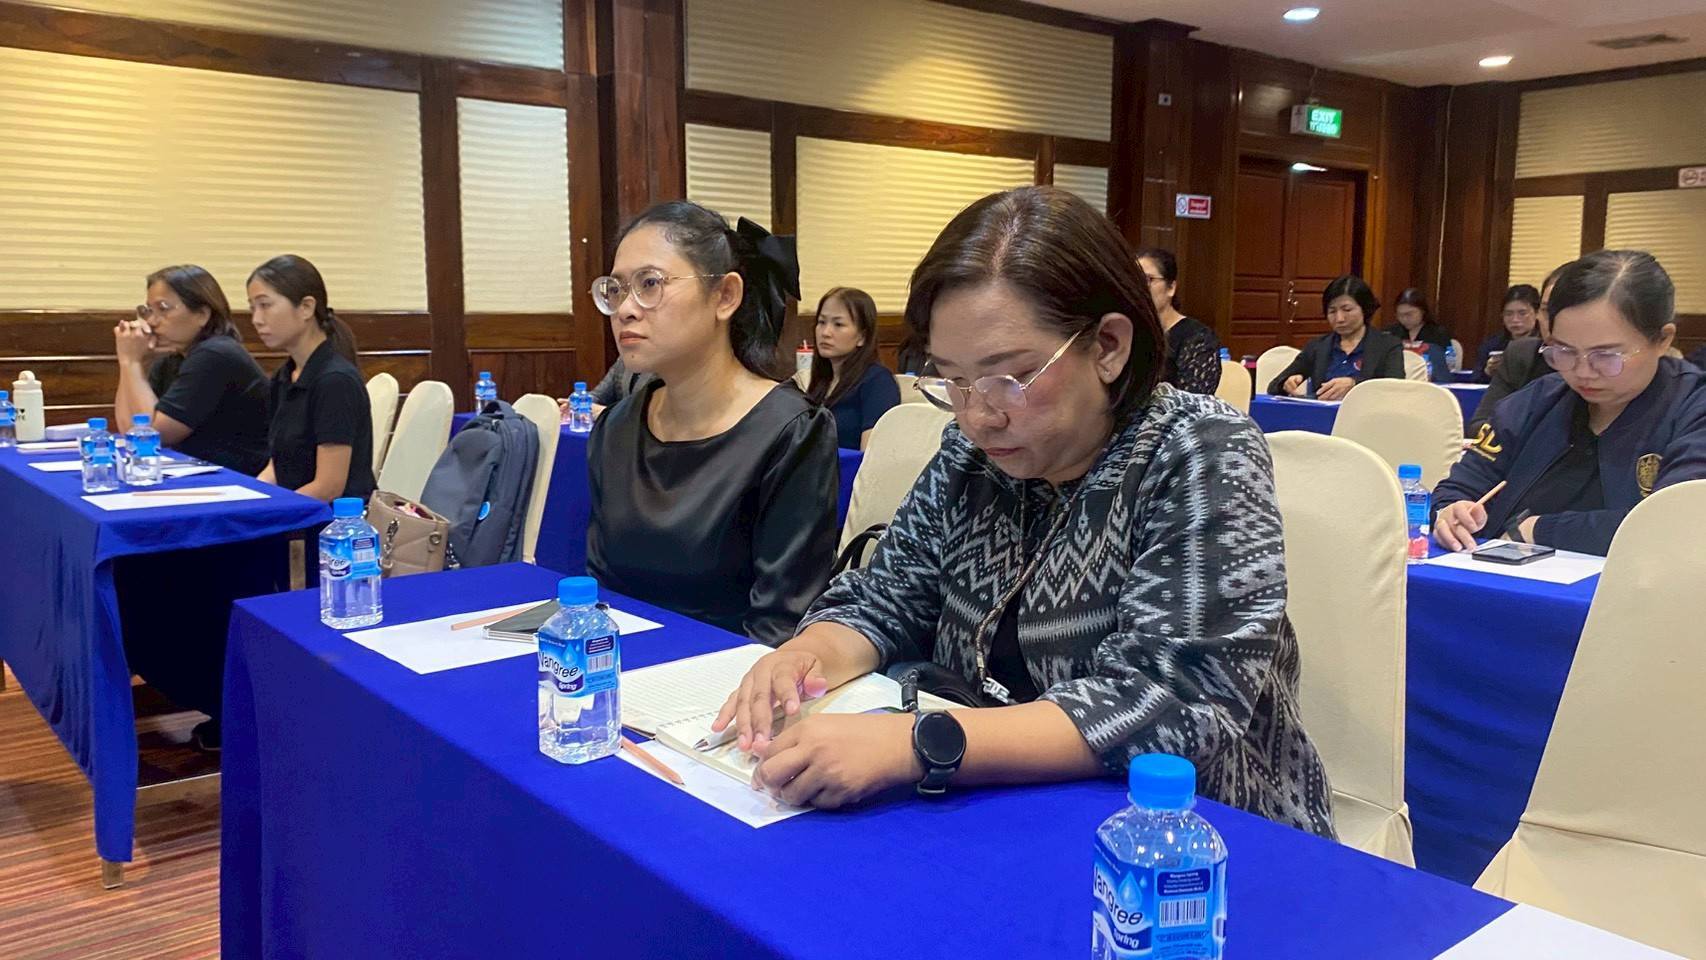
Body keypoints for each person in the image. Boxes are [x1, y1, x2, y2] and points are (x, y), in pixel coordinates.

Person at [708, 186, 1334, 836]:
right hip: (1003, 807)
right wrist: (804, 657)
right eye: (954, 379)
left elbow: (1173, 703)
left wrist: (919, 743)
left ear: (1108, 345)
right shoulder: (969, 457)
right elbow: (887, 598)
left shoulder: (1198, 450)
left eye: (1009, 377)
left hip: (1192, 838)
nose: (979, 415)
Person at [585, 202, 838, 645]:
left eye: (649, 284)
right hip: (621, 666)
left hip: (733, 673)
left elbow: (780, 624)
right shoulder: (617, 427)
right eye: (616, 289)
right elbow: (600, 590)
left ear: (725, 296)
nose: (625, 309)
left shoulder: (791, 430)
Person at [1434, 250, 1706, 557]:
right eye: (1563, 351)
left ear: (1663, 340)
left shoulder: (1693, 408)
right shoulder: (1537, 400)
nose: (1582, 372)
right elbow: (1462, 485)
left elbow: (1677, 521)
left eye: (1606, 356)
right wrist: (1450, 511)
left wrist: (1536, 530)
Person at [112, 265, 270, 474]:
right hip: (197, 472)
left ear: (202, 314)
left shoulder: (216, 354)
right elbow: (130, 430)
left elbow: (155, 436)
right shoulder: (172, 359)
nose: (151, 321)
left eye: (164, 308)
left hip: (240, 479)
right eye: (148, 310)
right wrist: (130, 363)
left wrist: (131, 361)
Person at [248, 255, 376, 503]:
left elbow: (328, 487)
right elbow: (276, 467)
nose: (256, 319)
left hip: (333, 520)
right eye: (253, 307)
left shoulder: (335, 381)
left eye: (265, 305)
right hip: (296, 508)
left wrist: (273, 512)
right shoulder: (284, 377)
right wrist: (253, 500)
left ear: (306, 307)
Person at [1266, 275, 1406, 399]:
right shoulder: (1317, 346)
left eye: (1347, 310)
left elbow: (1395, 388)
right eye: (1332, 311)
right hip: (1322, 415)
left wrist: (1354, 384)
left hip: (1369, 414)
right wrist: (1287, 383)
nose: (1339, 318)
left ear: (1364, 309)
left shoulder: (1388, 345)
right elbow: (1274, 386)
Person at [1467, 264, 1567, 435]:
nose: (1551, 321)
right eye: (1545, 310)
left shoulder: (1605, 365)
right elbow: (1480, 427)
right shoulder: (1520, 353)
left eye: (1561, 310)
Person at [806, 286, 900, 449]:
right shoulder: (822, 380)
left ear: (862, 337)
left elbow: (871, 456)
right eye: (821, 322)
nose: (825, 332)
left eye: (838, 324)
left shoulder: (878, 381)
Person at [1135, 247, 1222, 395]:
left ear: (1171, 288)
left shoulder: (1198, 338)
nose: (1140, 287)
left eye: (1148, 280)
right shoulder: (1127, 332)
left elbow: (1194, 400)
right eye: (1134, 280)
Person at [1475, 284, 1542, 383]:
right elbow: (1475, 380)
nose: (1515, 320)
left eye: (1522, 313)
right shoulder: (1492, 345)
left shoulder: (1546, 344)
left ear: (1537, 313)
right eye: (1509, 314)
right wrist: (1487, 372)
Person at [1385, 287, 1452, 351]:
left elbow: (1448, 356)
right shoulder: (1391, 333)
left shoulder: (1438, 334)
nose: (1404, 319)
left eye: (1409, 314)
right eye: (1400, 315)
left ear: (1422, 311)